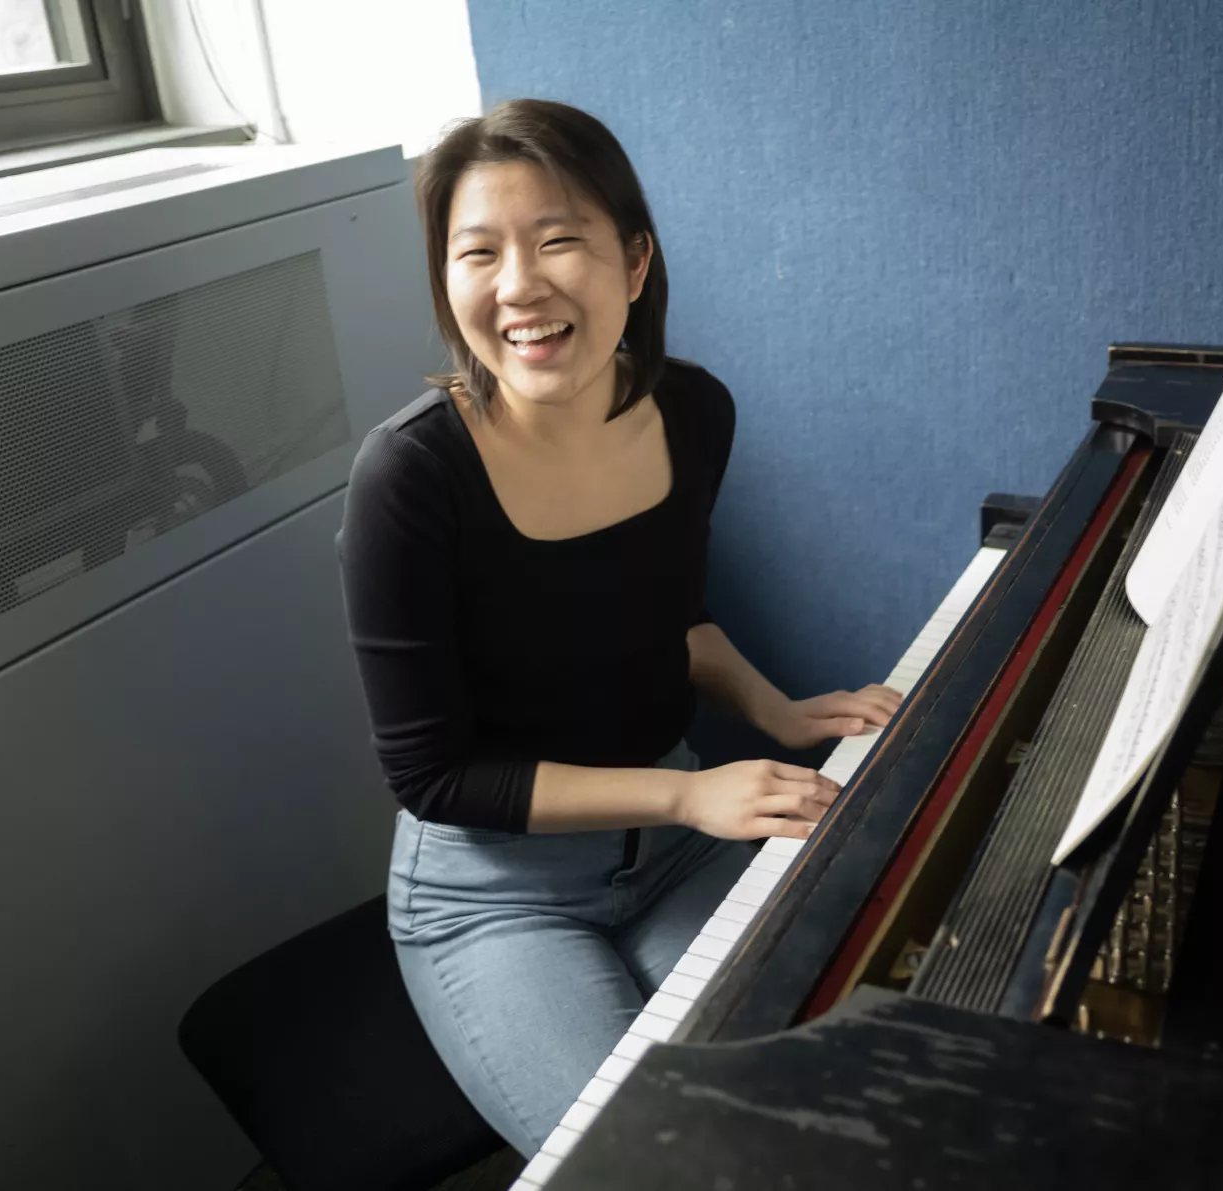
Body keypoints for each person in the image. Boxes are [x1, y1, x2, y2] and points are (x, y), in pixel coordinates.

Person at [335, 98, 902, 1157]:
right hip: (496, 895)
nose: (519, 286)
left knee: (814, 1110)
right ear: (445, 279)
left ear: (634, 264)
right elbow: (436, 777)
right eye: (478, 253)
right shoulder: (409, 477)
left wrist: (772, 707)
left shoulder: (694, 413)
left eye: (559, 241)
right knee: (652, 1165)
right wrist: (691, 791)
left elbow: (664, 615)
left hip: (674, 857)